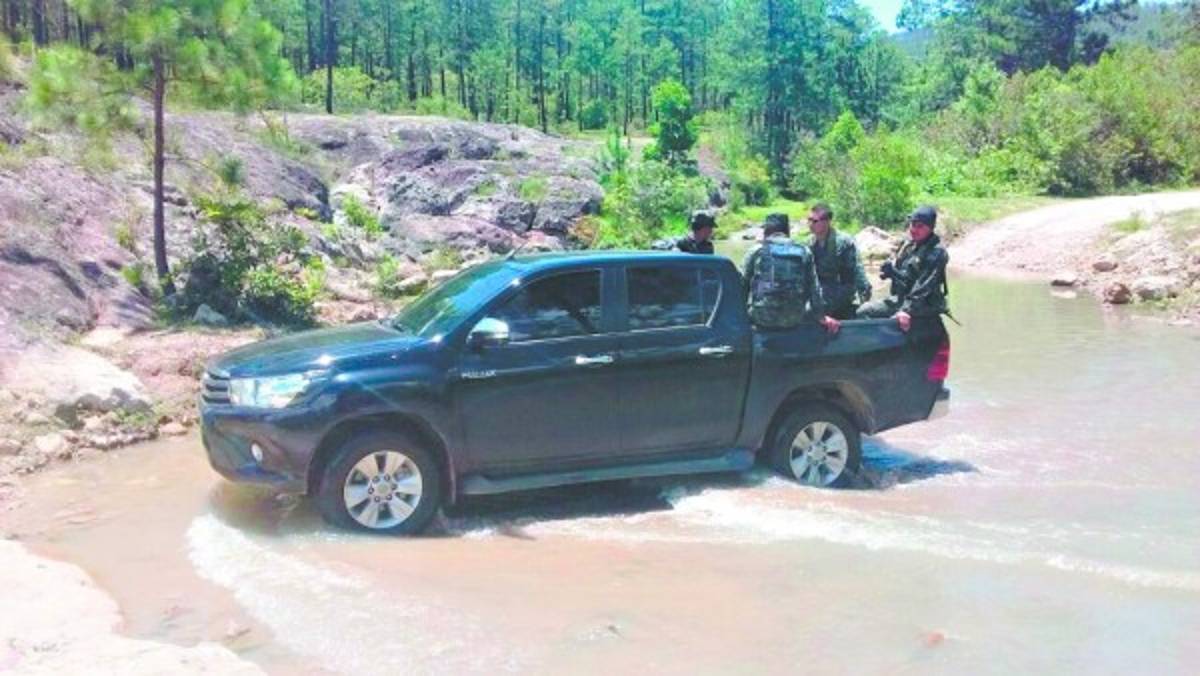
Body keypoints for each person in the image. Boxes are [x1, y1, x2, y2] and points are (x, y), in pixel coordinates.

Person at [855, 205, 949, 332]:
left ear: (931, 228)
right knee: (863, 310)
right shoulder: (909, 245)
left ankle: (885, 344)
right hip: (903, 298)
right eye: (913, 224)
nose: (914, 229)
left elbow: (923, 287)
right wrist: (891, 272)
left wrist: (905, 311)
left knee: (866, 312)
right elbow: (906, 276)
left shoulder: (936, 252)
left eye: (920, 226)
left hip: (924, 304)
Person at [743, 213, 840, 334]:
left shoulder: (755, 251)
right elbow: (814, 290)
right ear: (787, 231)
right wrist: (821, 317)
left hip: (763, 318)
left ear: (766, 231)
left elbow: (741, 287)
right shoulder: (804, 251)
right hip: (794, 318)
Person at [806, 203, 872, 320]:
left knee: (810, 311)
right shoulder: (810, 243)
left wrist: (864, 297)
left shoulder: (843, 242)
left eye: (814, 221)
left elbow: (857, 270)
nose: (810, 224)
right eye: (809, 220)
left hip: (840, 289)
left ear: (827, 222)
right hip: (820, 289)